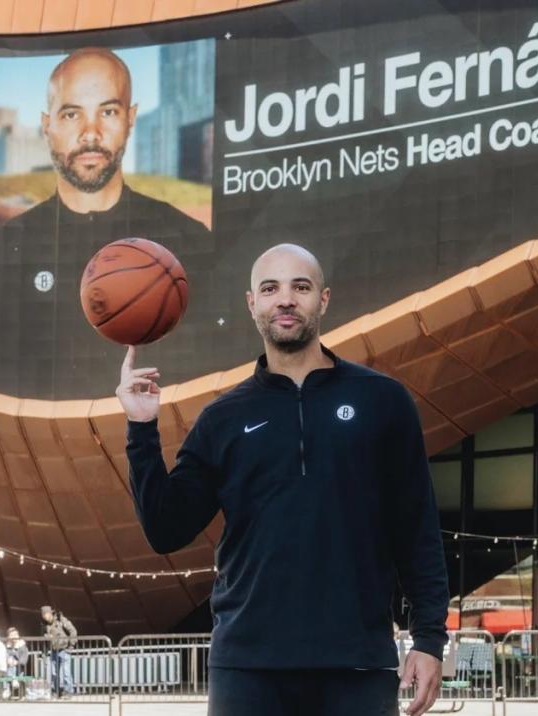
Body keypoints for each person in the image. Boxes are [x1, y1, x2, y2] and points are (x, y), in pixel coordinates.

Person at [116, 244, 450, 716]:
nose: (286, 299)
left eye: (301, 287)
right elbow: (165, 529)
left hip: (356, 664)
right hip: (248, 669)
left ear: (324, 299)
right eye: (271, 288)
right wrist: (141, 428)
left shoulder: (383, 401)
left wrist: (430, 638)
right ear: (252, 303)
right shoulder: (223, 418)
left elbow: (417, 529)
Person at [0, 47, 215, 398]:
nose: (91, 133)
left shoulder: (193, 243)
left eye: (108, 111)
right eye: (72, 114)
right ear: (48, 125)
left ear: (130, 117)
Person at [40, 605, 77, 699]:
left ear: (51, 613)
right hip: (53, 650)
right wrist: (44, 653)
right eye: (43, 614)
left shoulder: (61, 620)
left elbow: (72, 630)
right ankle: (56, 691)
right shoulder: (44, 625)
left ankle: (68, 691)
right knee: (54, 673)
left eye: (46, 613)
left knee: (66, 672)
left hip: (65, 649)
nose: (45, 616)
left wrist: (71, 645)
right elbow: (43, 640)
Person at [4, 627, 30, 700]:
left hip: (19, 668)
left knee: (12, 665)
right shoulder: (7, 647)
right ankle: (12, 680)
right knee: (6, 668)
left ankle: (8, 687)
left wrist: (16, 662)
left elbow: (24, 660)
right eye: (11, 635)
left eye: (15, 635)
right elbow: (4, 657)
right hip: (8, 667)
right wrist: (7, 661)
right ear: (8, 637)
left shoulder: (23, 647)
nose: (13, 637)